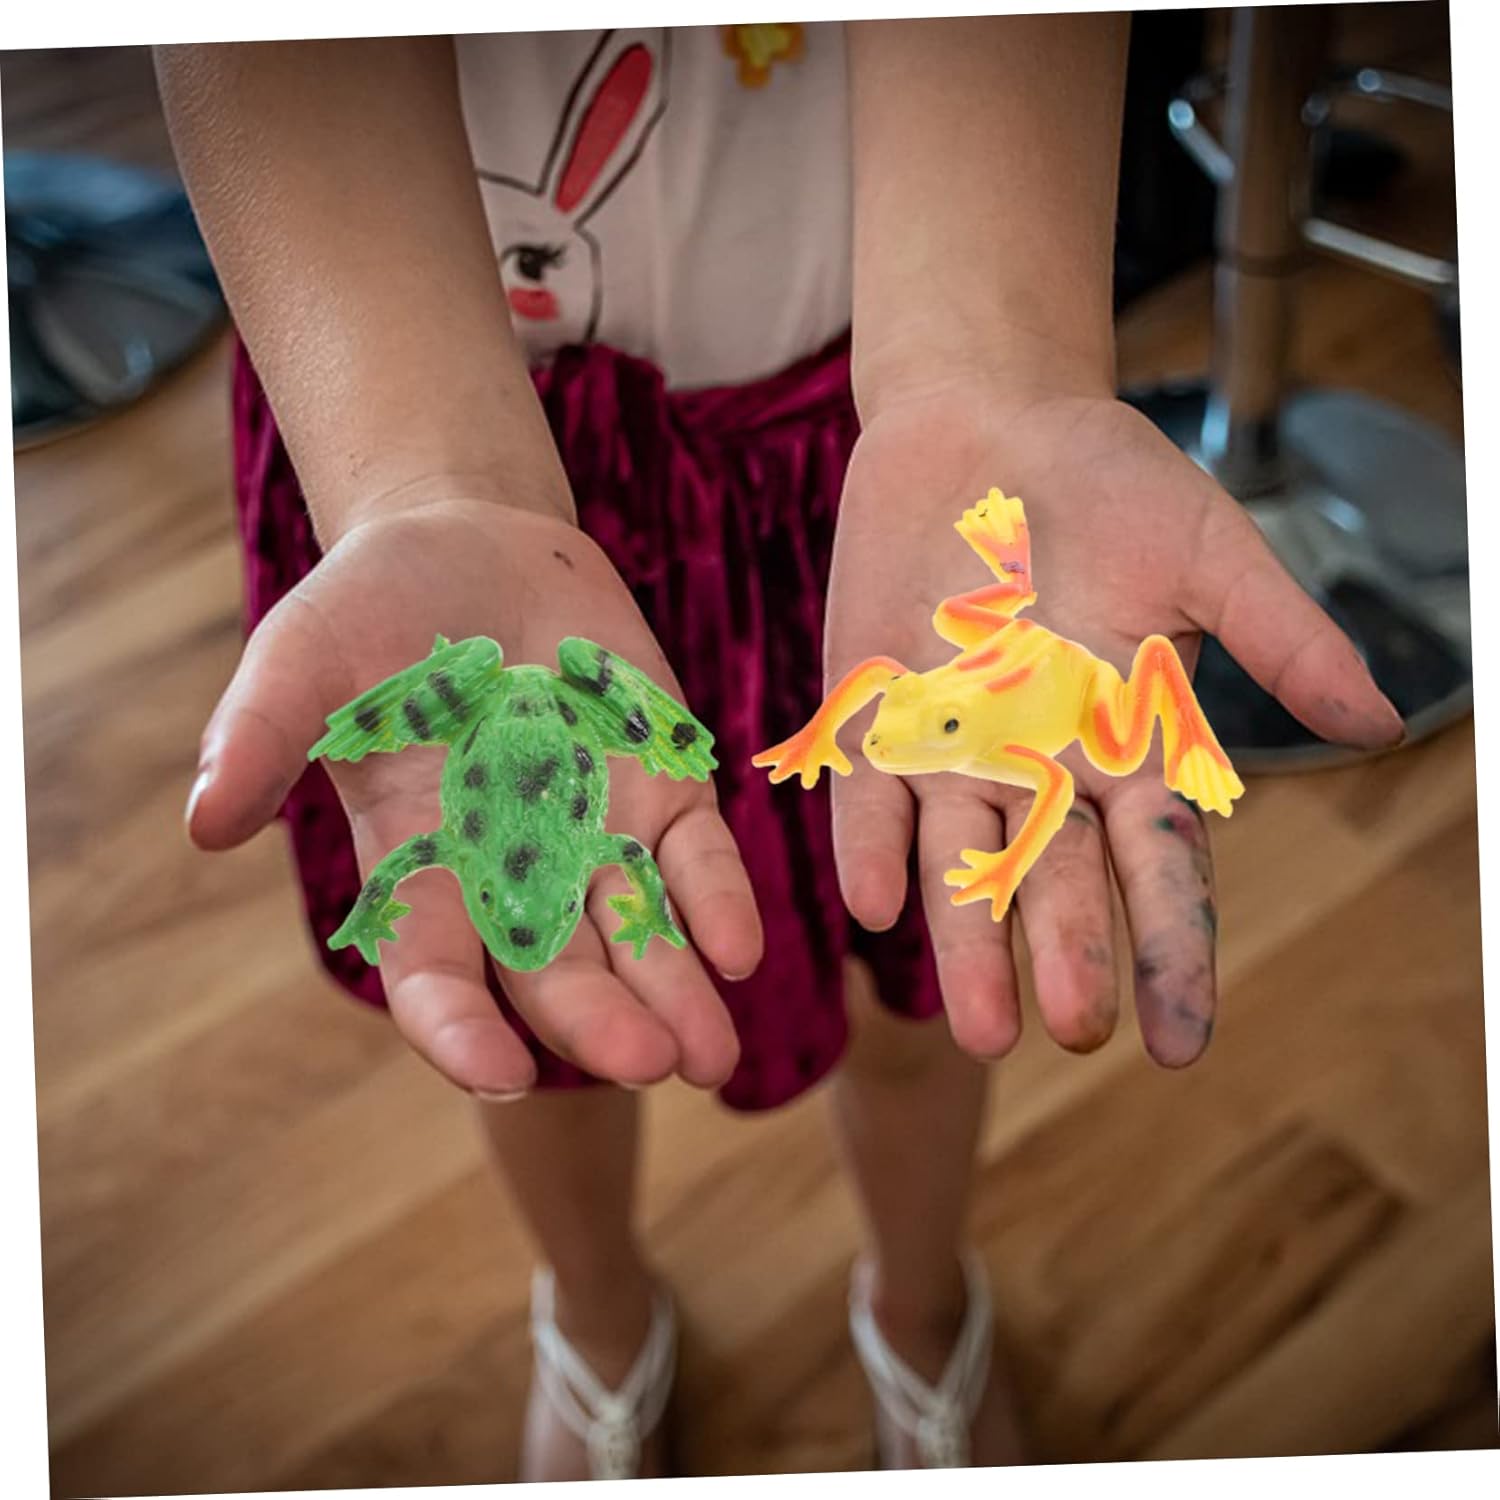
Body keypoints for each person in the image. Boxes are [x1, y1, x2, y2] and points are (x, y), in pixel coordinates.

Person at [155, 18, 1404, 1481]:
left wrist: (999, 371)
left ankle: (921, 1306)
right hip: (438, 465)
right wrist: (416, 475)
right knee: (534, 1004)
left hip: (876, 450)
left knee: (929, 970)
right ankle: (597, 1314)